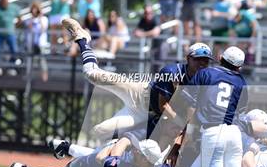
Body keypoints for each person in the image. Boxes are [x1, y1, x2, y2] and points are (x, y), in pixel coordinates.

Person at [62, 17, 213, 141]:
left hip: (145, 114)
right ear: (188, 58)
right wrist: (183, 124)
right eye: (198, 59)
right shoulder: (172, 71)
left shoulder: (204, 82)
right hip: (139, 92)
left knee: (100, 132)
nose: (202, 63)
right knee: (92, 74)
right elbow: (163, 106)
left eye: (205, 60)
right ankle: (83, 40)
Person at [25, 1, 49, 82]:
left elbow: (43, 29)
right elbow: (30, 27)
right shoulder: (29, 20)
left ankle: (44, 79)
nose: (35, 11)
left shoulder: (44, 19)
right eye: (33, 9)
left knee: (42, 61)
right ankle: (30, 78)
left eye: (36, 9)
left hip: (41, 44)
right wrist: (32, 18)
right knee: (31, 61)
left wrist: (40, 17)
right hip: (31, 43)